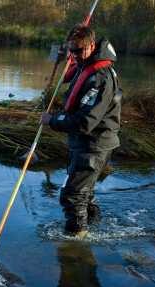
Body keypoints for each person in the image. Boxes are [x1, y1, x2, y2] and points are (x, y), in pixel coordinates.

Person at [41, 24, 122, 239]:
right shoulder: (84, 63)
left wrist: (53, 120)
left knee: (73, 195)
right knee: (84, 194)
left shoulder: (100, 78)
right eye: (71, 50)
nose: (74, 55)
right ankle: (95, 229)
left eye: (78, 50)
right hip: (88, 143)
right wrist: (59, 59)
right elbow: (67, 77)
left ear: (92, 46)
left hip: (94, 144)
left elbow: (86, 122)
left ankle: (76, 243)